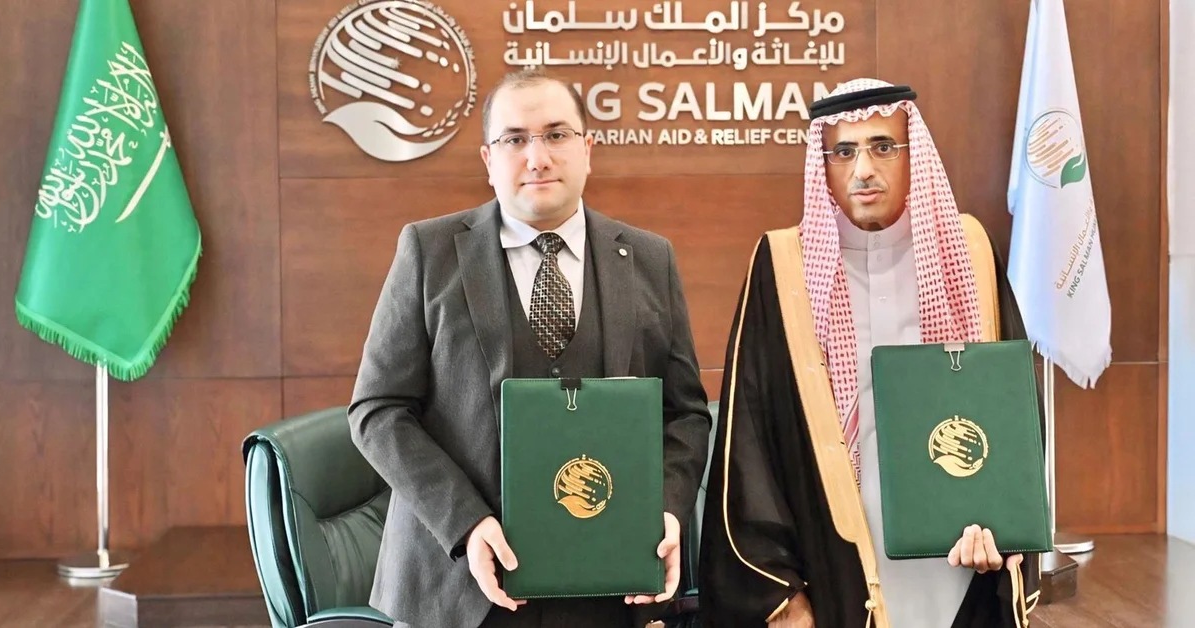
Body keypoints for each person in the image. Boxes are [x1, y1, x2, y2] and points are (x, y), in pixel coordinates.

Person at [348, 68, 712, 628]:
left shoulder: (649, 258)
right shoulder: (428, 251)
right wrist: (466, 524)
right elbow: (377, 411)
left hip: (609, 587)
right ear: (488, 160)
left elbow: (685, 413)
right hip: (459, 590)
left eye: (557, 134)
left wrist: (663, 510)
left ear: (588, 149)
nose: (537, 158)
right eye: (514, 139)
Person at [698, 78, 1043, 628]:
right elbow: (748, 441)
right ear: (824, 165)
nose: (862, 169)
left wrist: (1005, 526)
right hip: (830, 557)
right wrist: (781, 591)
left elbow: (1010, 411)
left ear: (913, 154)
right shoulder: (782, 265)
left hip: (956, 553)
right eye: (844, 151)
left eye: (883, 146)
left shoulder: (969, 251)